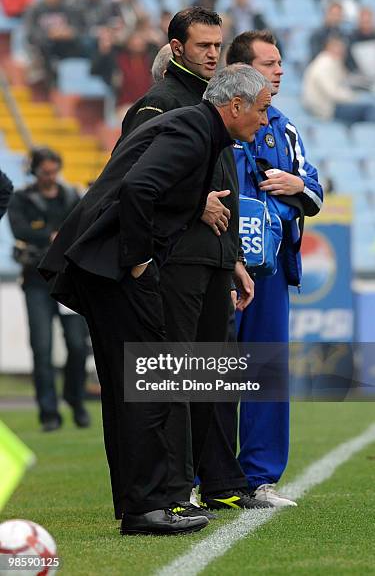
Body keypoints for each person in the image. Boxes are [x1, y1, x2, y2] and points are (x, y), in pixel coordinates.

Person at [39, 64, 273, 536]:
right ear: (235, 107)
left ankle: (142, 504)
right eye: (263, 110)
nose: (265, 122)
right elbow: (138, 188)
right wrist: (141, 261)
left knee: (139, 387)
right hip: (114, 270)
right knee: (150, 385)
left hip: (103, 268)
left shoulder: (198, 129)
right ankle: (148, 507)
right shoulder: (191, 128)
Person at [120, 7, 269, 513]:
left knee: (213, 377)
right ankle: (174, 490)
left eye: (217, 45)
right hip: (176, 258)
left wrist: (235, 260)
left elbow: (224, 192)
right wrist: (191, 202)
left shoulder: (222, 104)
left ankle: (221, 481)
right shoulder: (158, 104)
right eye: (202, 45)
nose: (211, 53)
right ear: (177, 48)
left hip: (213, 260)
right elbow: (130, 180)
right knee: (178, 376)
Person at [200, 30, 323, 508]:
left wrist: (295, 184)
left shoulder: (285, 126)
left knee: (265, 370)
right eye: (269, 63)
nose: (279, 71)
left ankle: (259, 477)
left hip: (268, 271)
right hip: (217, 266)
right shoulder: (212, 125)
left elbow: (313, 190)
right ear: (242, 71)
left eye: (280, 62)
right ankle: (207, 475)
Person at [8, 147, 90, 433]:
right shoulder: (21, 198)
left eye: (54, 171)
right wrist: (51, 236)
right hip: (36, 282)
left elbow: (85, 225)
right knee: (41, 349)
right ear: (35, 171)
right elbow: (19, 230)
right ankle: (48, 413)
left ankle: (76, 400)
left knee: (78, 346)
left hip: (67, 280)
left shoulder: (71, 196)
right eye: (45, 172)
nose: (50, 177)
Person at [302, 35, 375, 124]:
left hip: (331, 106)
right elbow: (333, 93)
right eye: (338, 47)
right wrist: (353, 97)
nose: (342, 51)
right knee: (370, 109)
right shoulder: (324, 64)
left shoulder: (332, 62)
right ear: (329, 47)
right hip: (326, 110)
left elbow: (345, 80)